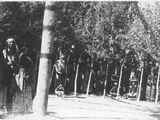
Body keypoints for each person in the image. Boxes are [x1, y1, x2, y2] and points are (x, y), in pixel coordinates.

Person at [2, 38, 19, 112]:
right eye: (9, 42)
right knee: (3, 90)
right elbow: (2, 62)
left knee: (11, 90)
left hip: (13, 74)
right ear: (7, 43)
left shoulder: (16, 52)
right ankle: (3, 106)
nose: (11, 44)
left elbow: (18, 63)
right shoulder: (4, 52)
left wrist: (14, 66)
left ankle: (10, 107)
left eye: (12, 42)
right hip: (4, 73)